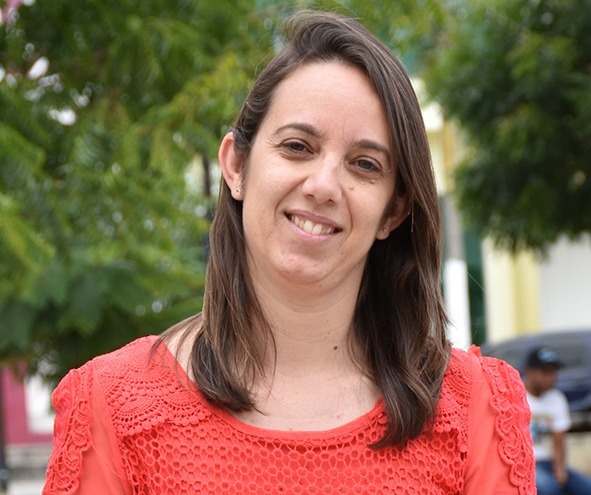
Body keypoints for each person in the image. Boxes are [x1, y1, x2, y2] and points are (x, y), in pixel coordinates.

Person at [42, 10, 535, 494]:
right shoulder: (113, 407)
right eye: (298, 146)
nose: (323, 186)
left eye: (364, 164)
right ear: (236, 166)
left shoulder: (474, 410)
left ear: (393, 211)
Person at [523, 346, 591, 495]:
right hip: (525, 463)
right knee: (550, 489)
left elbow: (559, 440)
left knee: (587, 487)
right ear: (529, 371)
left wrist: (559, 467)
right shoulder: (517, 395)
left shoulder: (557, 398)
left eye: (553, 371)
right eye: (545, 371)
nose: (551, 377)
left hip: (548, 462)